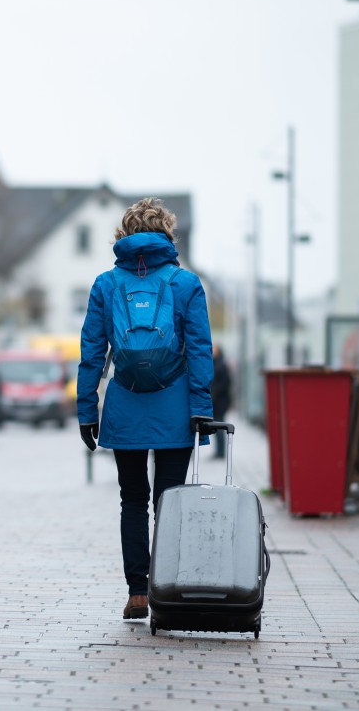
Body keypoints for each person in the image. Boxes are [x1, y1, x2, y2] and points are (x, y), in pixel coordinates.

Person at [76, 197, 215, 621]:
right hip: (175, 403)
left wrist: (87, 410)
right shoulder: (185, 282)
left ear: (124, 235)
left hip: (125, 402)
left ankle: (138, 592)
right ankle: (167, 588)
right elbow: (201, 349)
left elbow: (92, 353)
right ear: (167, 233)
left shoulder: (106, 283)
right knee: (170, 500)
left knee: (132, 500)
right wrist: (201, 407)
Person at [209, 344, 234, 458]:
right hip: (217, 401)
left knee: (219, 427)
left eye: (214, 349)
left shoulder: (220, 365)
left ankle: (220, 452)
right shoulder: (215, 364)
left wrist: (214, 393)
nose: (212, 351)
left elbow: (225, 383)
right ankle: (219, 452)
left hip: (219, 402)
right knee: (217, 427)